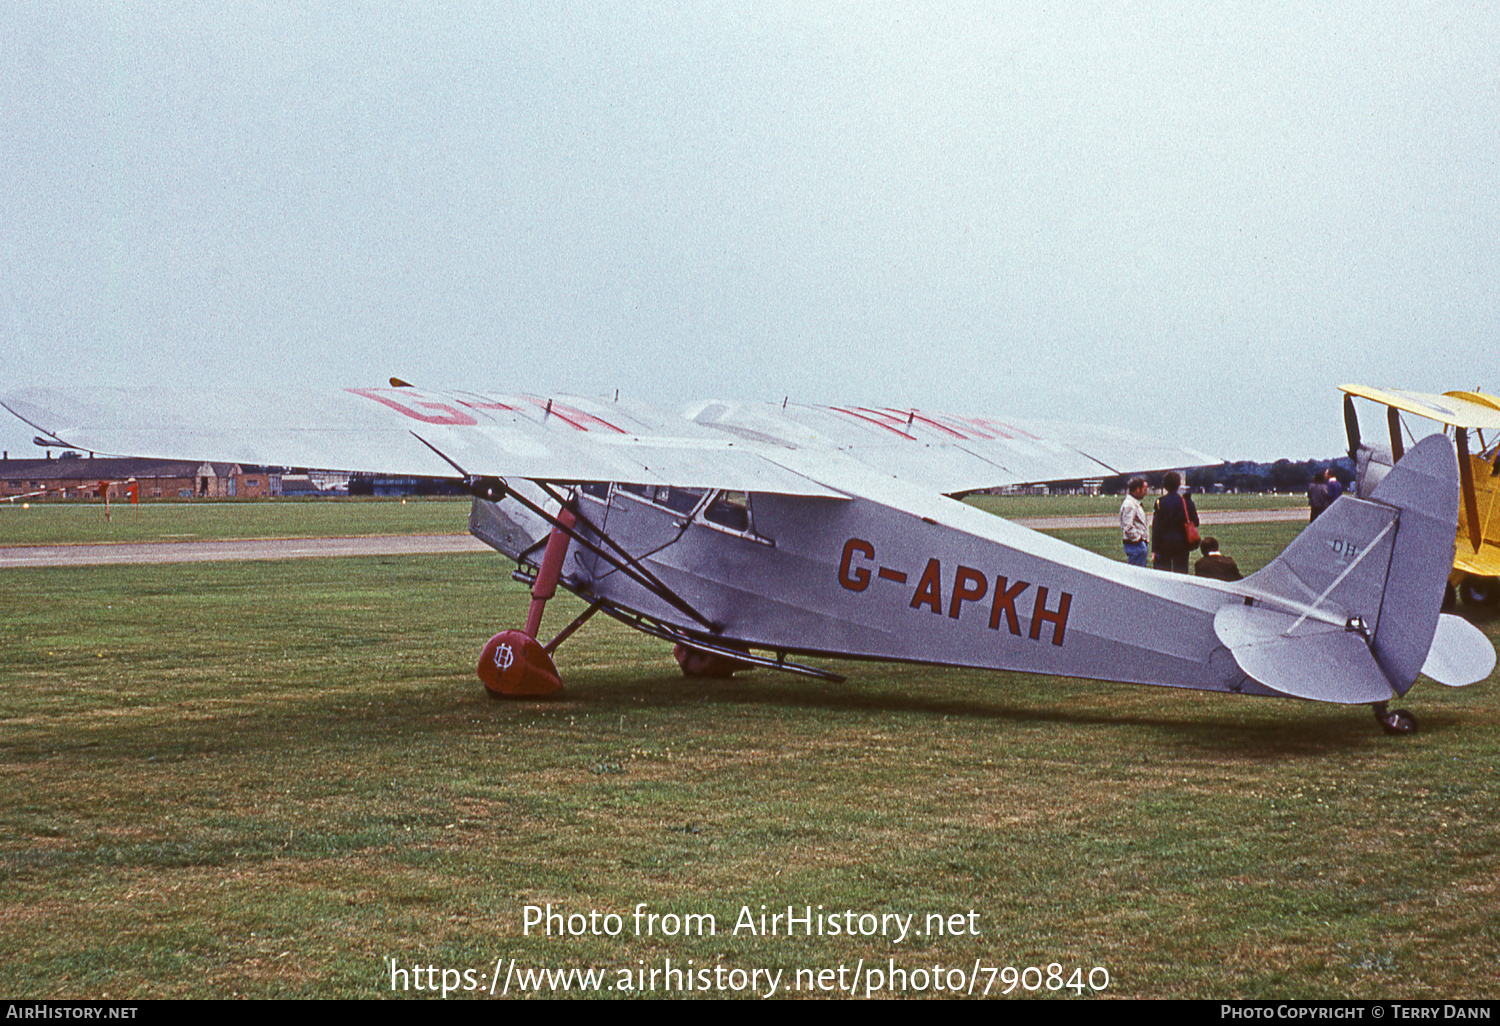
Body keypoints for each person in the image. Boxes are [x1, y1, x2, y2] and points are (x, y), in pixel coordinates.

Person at [1151, 471, 1199, 574]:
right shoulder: (1186, 501)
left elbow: (1157, 528)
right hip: (1182, 543)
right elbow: (1196, 522)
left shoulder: (1160, 502)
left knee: (1164, 574)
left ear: (1165, 486)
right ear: (1178, 485)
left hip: (1164, 543)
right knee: (1181, 572)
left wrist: (1154, 549)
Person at [1119, 476, 1149, 566]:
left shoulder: (1134, 503)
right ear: (1137, 489)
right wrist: (1139, 540)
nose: (1146, 493)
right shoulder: (1130, 505)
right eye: (1144, 490)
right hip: (1136, 546)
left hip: (1137, 545)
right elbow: (1127, 526)